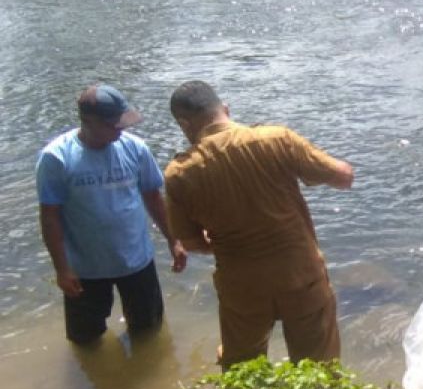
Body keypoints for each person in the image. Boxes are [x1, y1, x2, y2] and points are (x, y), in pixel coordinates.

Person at [163, 80, 353, 369]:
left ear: (184, 124)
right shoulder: (276, 139)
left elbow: (190, 243)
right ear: (225, 109)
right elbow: (343, 177)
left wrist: (223, 239)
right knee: (319, 370)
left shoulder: (180, 173)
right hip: (301, 277)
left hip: (242, 288)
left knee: (243, 373)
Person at [36, 84, 187, 344]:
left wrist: (174, 240)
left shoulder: (135, 148)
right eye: (113, 124)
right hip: (85, 267)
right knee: (85, 339)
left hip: (136, 260)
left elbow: (153, 197)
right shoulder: (56, 158)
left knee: (149, 331)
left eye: (122, 122)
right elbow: (50, 216)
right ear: (87, 121)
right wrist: (62, 269)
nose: (121, 129)